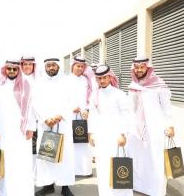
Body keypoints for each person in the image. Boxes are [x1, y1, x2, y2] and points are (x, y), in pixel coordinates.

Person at [127, 56, 175, 196]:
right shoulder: (133, 85)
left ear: (148, 68)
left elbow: (166, 107)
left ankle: (155, 190)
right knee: (138, 157)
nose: (139, 70)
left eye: (142, 67)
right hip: (137, 128)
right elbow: (131, 108)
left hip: (155, 127)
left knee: (155, 158)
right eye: (136, 68)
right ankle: (139, 185)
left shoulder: (159, 84)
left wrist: (170, 125)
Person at [0, 60, 36, 196]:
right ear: (5, 70)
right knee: (7, 161)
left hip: (22, 131)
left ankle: (23, 191)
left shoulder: (26, 85)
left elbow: (31, 108)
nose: (11, 72)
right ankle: (6, 192)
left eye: (14, 69)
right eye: (9, 69)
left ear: (18, 70)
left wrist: (31, 127)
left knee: (22, 161)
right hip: (5, 129)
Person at [88, 65, 133, 196]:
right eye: (99, 78)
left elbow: (127, 115)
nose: (102, 81)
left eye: (104, 77)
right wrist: (91, 133)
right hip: (101, 137)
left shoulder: (119, 94)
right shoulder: (94, 95)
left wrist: (123, 134)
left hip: (116, 137)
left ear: (110, 77)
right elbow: (92, 115)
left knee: (118, 167)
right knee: (102, 169)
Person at [33, 58, 75, 196]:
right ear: (45, 67)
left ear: (59, 66)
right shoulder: (39, 83)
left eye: (54, 65)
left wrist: (59, 116)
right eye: (48, 65)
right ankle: (48, 185)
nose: (51, 68)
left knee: (65, 156)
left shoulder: (68, 81)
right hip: (45, 124)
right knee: (47, 156)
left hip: (62, 124)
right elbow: (35, 102)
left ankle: (65, 187)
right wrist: (45, 118)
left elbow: (71, 101)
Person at [68, 56, 94, 177]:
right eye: (77, 66)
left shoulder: (87, 80)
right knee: (72, 143)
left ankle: (85, 170)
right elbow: (63, 98)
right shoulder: (66, 80)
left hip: (85, 116)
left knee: (84, 143)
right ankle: (72, 170)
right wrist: (71, 107)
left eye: (82, 66)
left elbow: (93, 96)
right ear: (72, 66)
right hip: (70, 115)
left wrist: (87, 110)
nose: (80, 68)